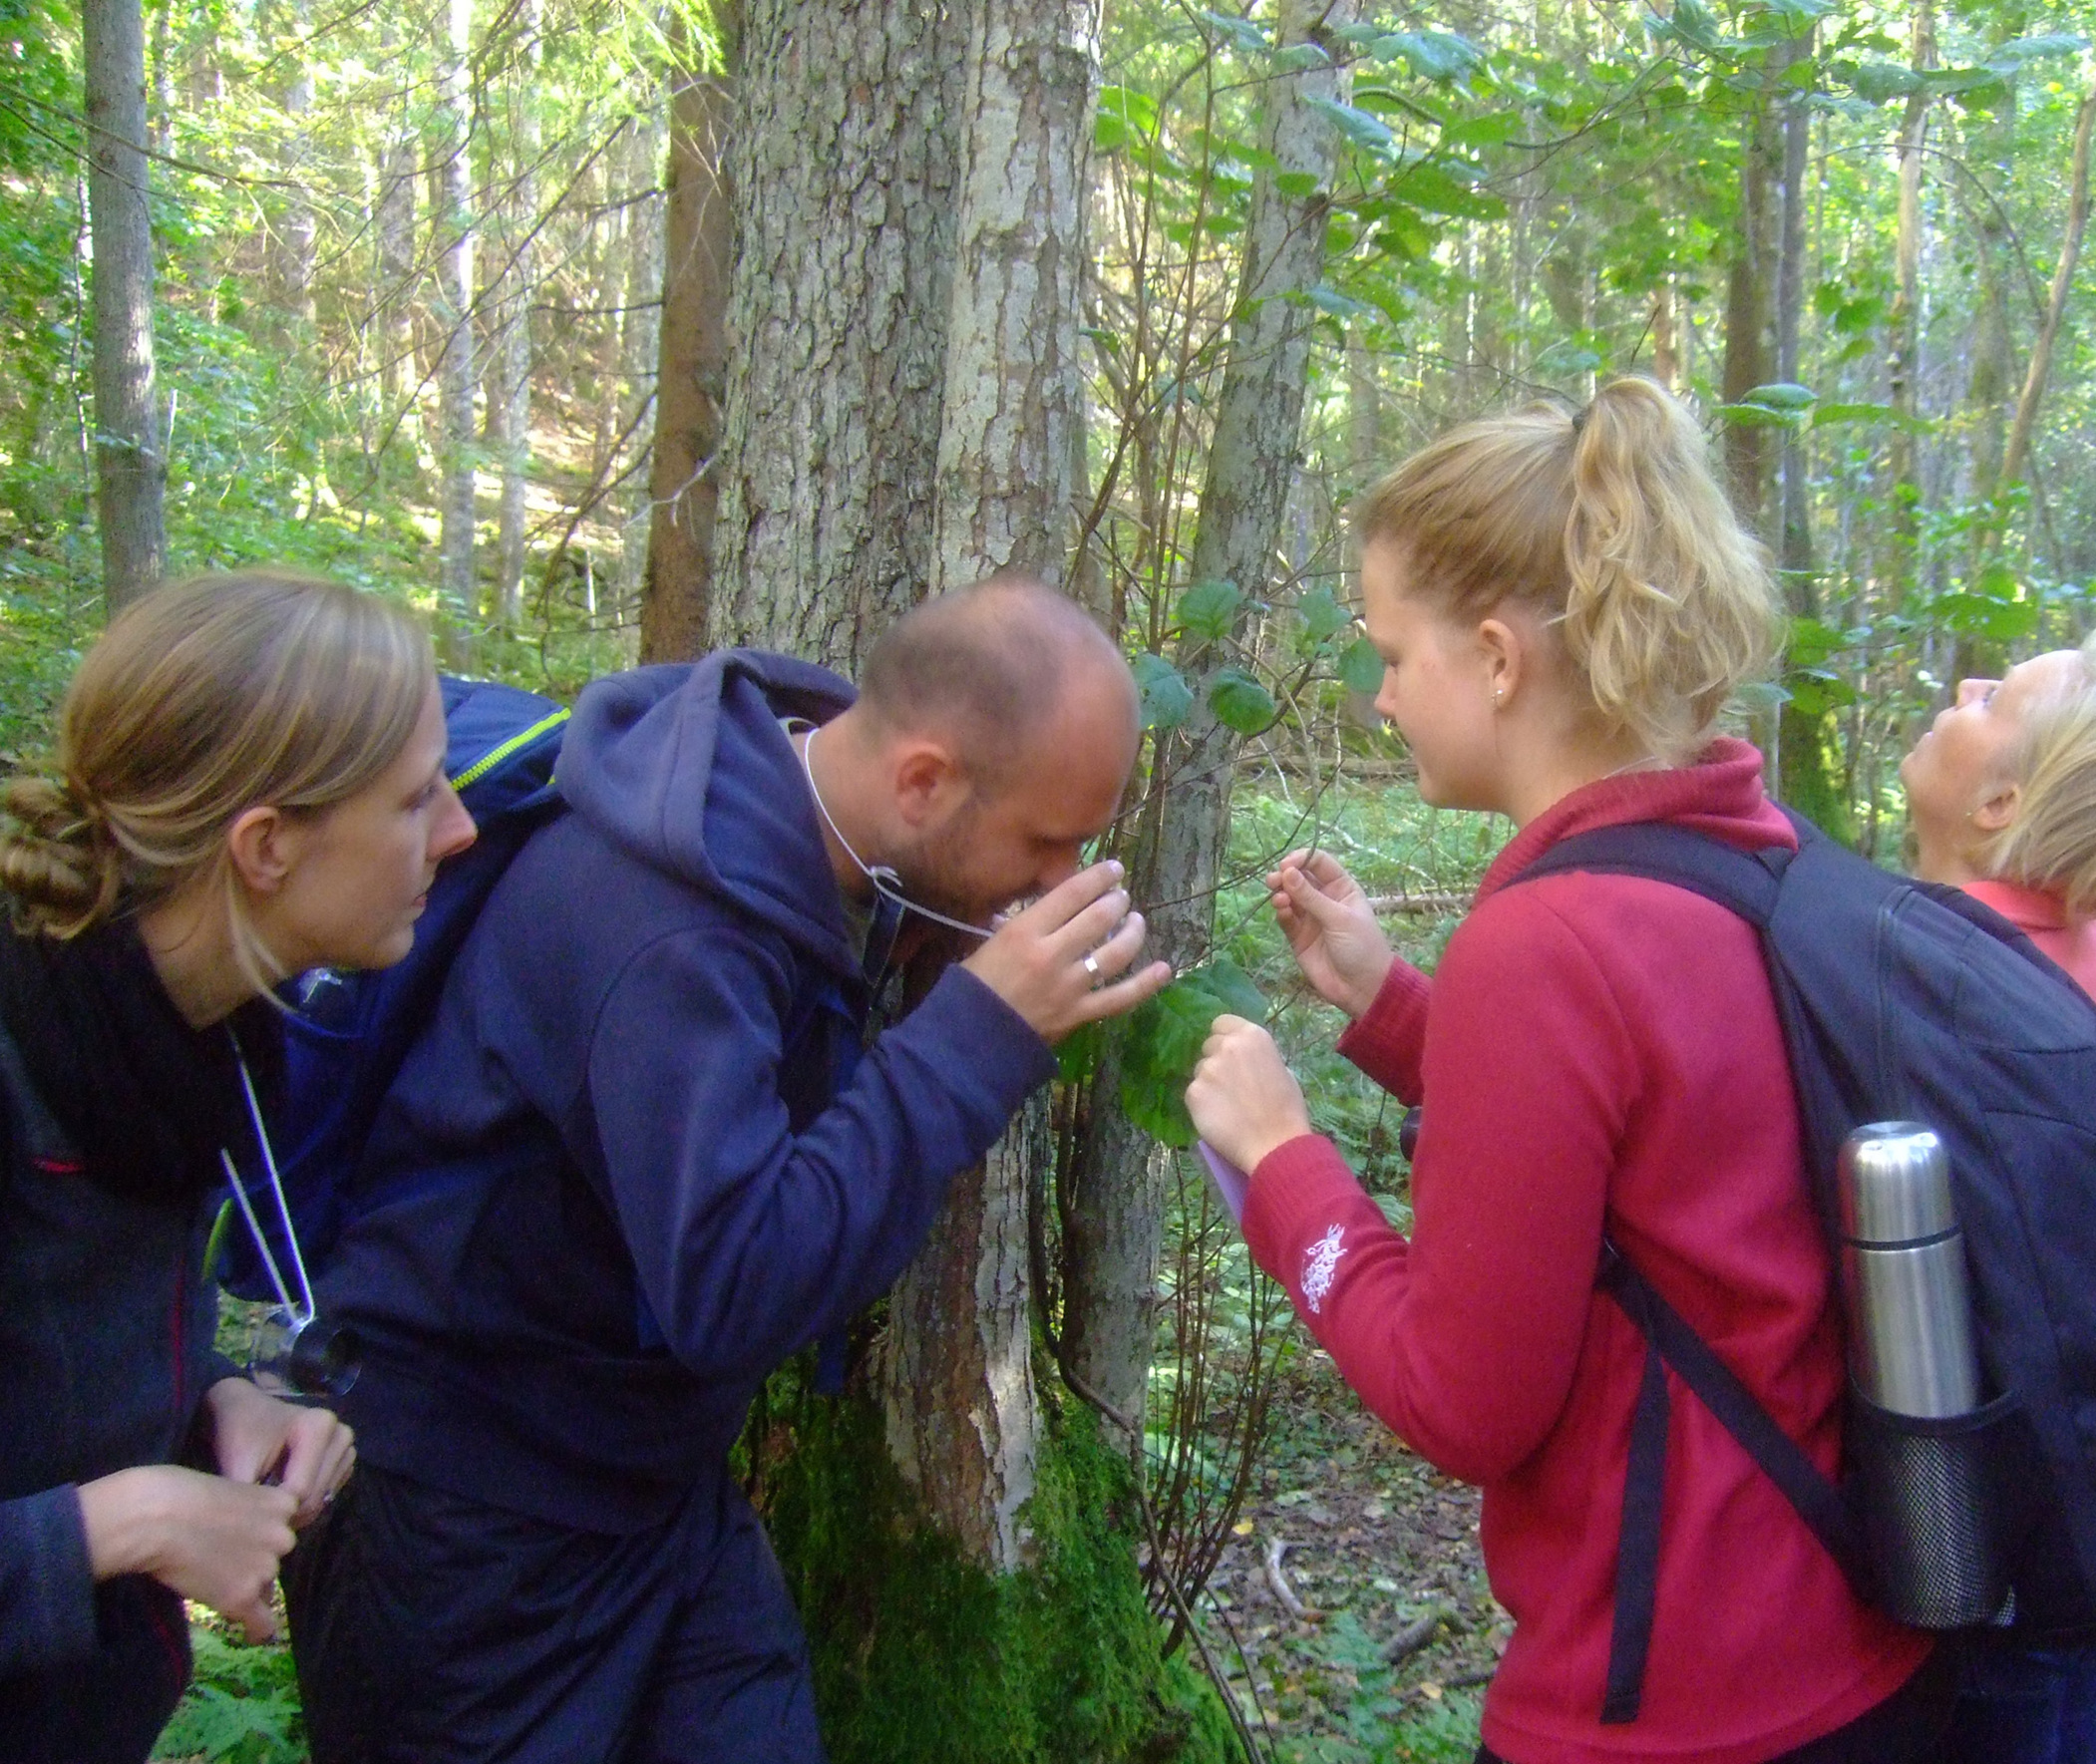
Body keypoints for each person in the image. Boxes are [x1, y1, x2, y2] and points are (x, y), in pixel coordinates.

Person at [285, 574, 1171, 1764]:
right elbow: (733, 1285)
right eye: (1044, 841)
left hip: (650, 1497)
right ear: (921, 781)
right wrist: (977, 1032)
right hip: (465, 1531)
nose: (1064, 880)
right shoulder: (665, 930)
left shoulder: (829, 833)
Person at [1187, 380, 1943, 1764]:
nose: (1377, 701)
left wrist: (1283, 1161)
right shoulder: (1746, 851)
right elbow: (1668, 1155)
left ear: (1491, 657)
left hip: (1666, 1705)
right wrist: (1388, 1002)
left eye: (1387, 654)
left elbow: (1462, 1400)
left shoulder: (1541, 945)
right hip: (1852, 1653)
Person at [0, 570, 478, 1763]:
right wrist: (121, 1522)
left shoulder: (185, 1031)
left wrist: (217, 1398)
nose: (460, 828)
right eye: (416, 795)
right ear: (264, 845)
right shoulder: (30, 1056)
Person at [1902, 623, 2096, 1764]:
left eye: (1997, 698)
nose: (1967, 683)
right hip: (2091, 1522)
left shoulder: (1936, 981)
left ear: (1999, 803)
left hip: (1978, 1546)